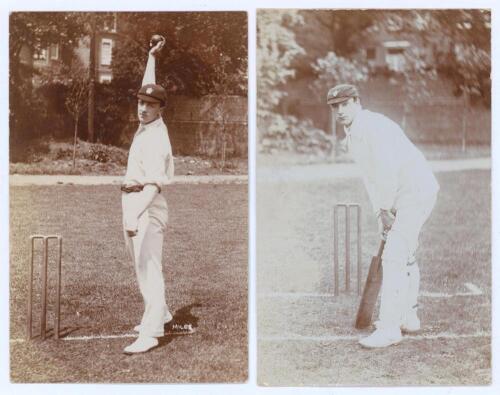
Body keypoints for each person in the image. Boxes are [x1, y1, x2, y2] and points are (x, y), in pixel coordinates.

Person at [327, 84, 439, 348]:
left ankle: (390, 329)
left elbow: (388, 169)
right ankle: (408, 317)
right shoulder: (353, 136)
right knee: (405, 254)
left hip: (416, 192)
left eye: (345, 104)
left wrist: (388, 208)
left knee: (394, 257)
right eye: (335, 107)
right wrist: (381, 212)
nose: (340, 111)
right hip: (402, 194)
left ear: (357, 101)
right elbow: (371, 177)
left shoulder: (373, 127)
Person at [121, 37, 175, 354]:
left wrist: (135, 214)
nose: (143, 108)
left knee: (150, 267)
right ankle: (163, 314)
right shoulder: (147, 123)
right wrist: (151, 58)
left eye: (150, 105)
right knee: (141, 266)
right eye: (141, 103)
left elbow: (154, 184)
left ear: (161, 110)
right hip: (134, 199)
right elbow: (149, 86)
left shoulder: (158, 139)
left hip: (147, 205)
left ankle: (152, 332)